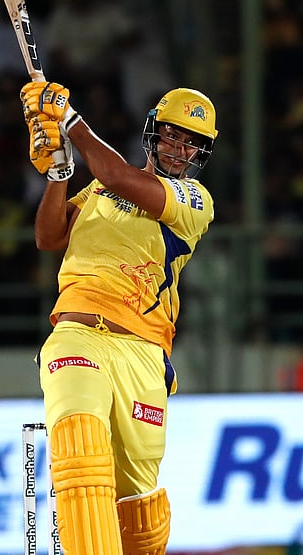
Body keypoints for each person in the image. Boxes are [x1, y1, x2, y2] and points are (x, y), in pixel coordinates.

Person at [23, 80, 218, 555]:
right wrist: (58, 174)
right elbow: (49, 237)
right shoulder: (99, 190)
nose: (180, 147)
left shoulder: (194, 202)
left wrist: (71, 123)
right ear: (152, 132)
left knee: (139, 508)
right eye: (172, 134)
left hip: (143, 354)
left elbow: (117, 177)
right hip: (78, 336)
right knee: (80, 452)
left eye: (191, 141)